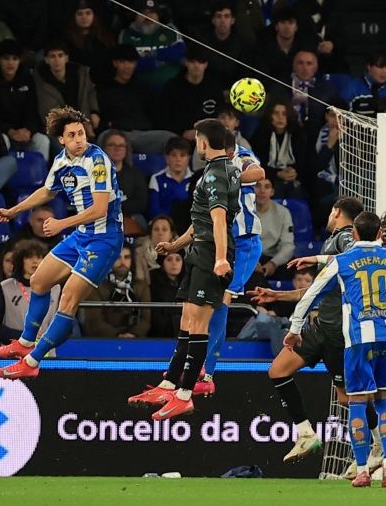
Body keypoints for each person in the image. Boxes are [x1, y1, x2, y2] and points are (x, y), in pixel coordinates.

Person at [283, 211, 386, 487]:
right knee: (384, 399)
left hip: (358, 339)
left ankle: (363, 468)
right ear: (379, 234)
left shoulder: (343, 261)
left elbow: (313, 292)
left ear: (353, 235)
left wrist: (294, 329)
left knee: (356, 402)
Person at [0, 106, 124, 379]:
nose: (79, 139)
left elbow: (99, 209)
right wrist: (14, 211)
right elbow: (47, 190)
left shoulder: (97, 161)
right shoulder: (63, 160)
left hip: (104, 239)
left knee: (68, 298)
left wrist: (61, 224)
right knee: (39, 281)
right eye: (72, 135)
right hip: (81, 235)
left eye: (82, 133)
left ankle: (32, 361)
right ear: (61, 139)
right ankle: (25, 342)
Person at [126, 118, 240, 420]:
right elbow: (202, 220)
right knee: (188, 320)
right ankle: (169, 384)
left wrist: (219, 258)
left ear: (204, 142)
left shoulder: (216, 174)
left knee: (198, 323)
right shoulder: (216, 172)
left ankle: (185, 394)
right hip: (199, 249)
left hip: (210, 253)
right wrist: (175, 246)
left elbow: (217, 219)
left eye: (198, 139)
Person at [248, 197, 363, 464]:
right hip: (322, 326)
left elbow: (357, 254)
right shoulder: (332, 240)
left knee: (348, 398)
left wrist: (317, 257)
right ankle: (305, 433)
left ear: (336, 212)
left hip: (339, 331)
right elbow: (317, 291)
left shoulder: (344, 237)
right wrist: (278, 295)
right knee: (278, 371)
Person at [197, 141, 266, 395]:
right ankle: (197, 366)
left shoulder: (241, 156)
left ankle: (209, 372)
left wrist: (231, 175)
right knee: (205, 303)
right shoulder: (210, 170)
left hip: (245, 244)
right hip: (224, 244)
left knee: (222, 300)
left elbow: (258, 172)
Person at [81, 244, 151, 338]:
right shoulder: (97, 286)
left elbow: (146, 319)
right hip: (104, 340)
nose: (123, 262)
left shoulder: (141, 286)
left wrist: (133, 334)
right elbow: (95, 320)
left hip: (135, 340)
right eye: (118, 257)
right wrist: (117, 335)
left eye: (127, 257)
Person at [255, 177, 294, 279]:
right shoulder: (242, 211)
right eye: (258, 186)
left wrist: (273, 263)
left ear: (272, 192)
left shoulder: (283, 212)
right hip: (248, 257)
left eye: (266, 187)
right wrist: (250, 260)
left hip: (272, 257)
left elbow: (288, 245)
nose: (262, 191)